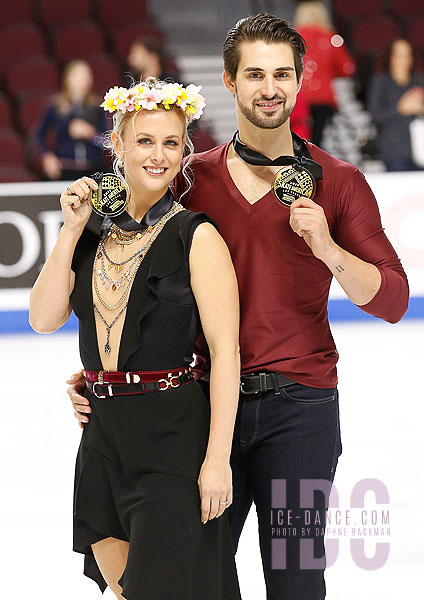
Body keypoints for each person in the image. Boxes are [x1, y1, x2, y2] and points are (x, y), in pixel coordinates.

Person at [67, 13, 409, 600]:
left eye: (282, 74)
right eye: (254, 74)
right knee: (194, 577)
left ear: (301, 81)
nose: (269, 87)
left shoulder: (339, 181)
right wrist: (104, 374)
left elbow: (394, 300)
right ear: (229, 81)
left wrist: (327, 247)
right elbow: (128, 274)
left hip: (301, 409)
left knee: (297, 580)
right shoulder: (189, 179)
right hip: (200, 412)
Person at [29, 77, 242, 600]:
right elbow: (43, 317)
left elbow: (226, 352)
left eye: (172, 143)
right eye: (144, 141)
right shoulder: (93, 230)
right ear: (118, 146)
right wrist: (71, 229)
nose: (158, 155)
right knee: (126, 592)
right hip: (103, 440)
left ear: (185, 151)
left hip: (172, 440)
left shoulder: (198, 235)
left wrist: (217, 460)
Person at [293, 0, 355, 146]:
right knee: (317, 141)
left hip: (299, 97)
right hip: (324, 99)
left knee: (298, 138)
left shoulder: (293, 39)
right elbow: (348, 69)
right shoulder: (331, 38)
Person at [34, 59, 108, 180]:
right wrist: (46, 157)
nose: (83, 80)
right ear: (67, 79)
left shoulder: (97, 107)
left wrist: (91, 135)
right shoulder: (55, 106)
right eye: (78, 76)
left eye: (86, 76)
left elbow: (107, 142)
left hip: (93, 170)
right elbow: (38, 134)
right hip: (64, 169)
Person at [367, 38, 424, 171]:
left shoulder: (419, 81)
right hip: (395, 152)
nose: (403, 60)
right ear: (390, 57)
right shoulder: (380, 82)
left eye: (407, 55)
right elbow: (375, 116)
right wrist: (400, 109)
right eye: (398, 55)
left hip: (420, 149)